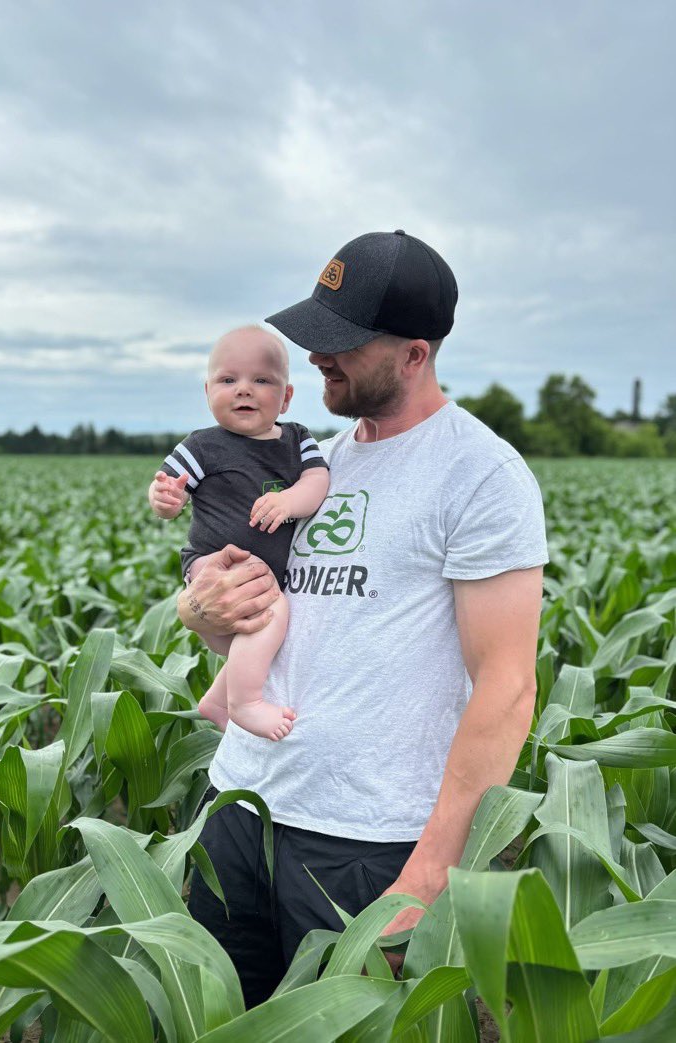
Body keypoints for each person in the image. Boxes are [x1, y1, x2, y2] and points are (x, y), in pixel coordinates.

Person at [180, 230, 548, 1006]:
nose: (316, 357)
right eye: (314, 335)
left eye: (342, 343)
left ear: (415, 354)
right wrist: (198, 609)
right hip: (242, 804)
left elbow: (508, 687)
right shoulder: (308, 462)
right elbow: (263, 619)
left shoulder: (478, 473)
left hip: (360, 841)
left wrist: (429, 872)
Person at [150, 325, 329, 741]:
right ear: (208, 390)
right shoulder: (202, 446)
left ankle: (216, 697)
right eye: (228, 380)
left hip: (261, 569)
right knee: (270, 614)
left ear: (285, 397)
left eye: (261, 380)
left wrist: (289, 501)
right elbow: (168, 485)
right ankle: (244, 703)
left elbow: (317, 480)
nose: (243, 390)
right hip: (215, 561)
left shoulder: (297, 440)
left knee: (262, 623)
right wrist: (166, 500)